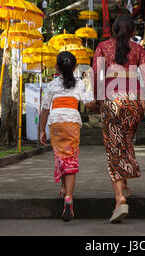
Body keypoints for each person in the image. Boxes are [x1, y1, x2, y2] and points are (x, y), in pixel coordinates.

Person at [90, 15, 145, 223]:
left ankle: (120, 199)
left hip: (113, 100)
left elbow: (95, 74)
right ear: (132, 31)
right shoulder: (139, 50)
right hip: (135, 103)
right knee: (125, 140)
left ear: (114, 29)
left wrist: (98, 100)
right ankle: (125, 184)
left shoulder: (102, 46)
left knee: (114, 147)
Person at [39, 51, 93, 222]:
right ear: (75, 66)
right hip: (72, 122)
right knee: (71, 158)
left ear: (56, 67)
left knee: (61, 157)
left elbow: (45, 109)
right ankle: (68, 196)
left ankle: (63, 188)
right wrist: (99, 104)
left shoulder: (51, 85)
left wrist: (41, 130)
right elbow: (89, 104)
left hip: (55, 122)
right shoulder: (79, 84)